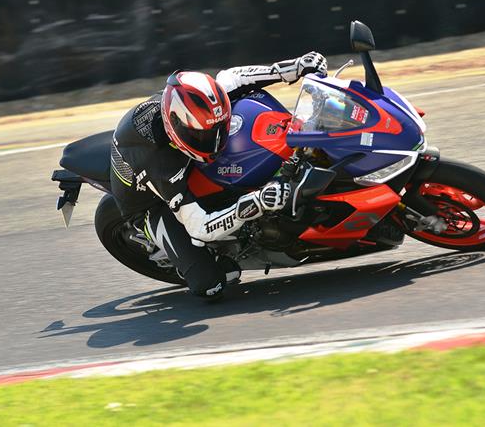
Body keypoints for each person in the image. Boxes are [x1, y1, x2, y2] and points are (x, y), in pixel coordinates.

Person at [110, 52, 328, 300]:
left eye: (218, 130)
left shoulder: (192, 103)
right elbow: (200, 227)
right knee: (211, 285)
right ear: (176, 128)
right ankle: (152, 234)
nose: (215, 143)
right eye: (203, 138)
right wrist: (255, 203)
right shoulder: (160, 164)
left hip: (183, 163)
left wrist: (293, 68)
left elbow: (232, 78)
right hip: (149, 202)